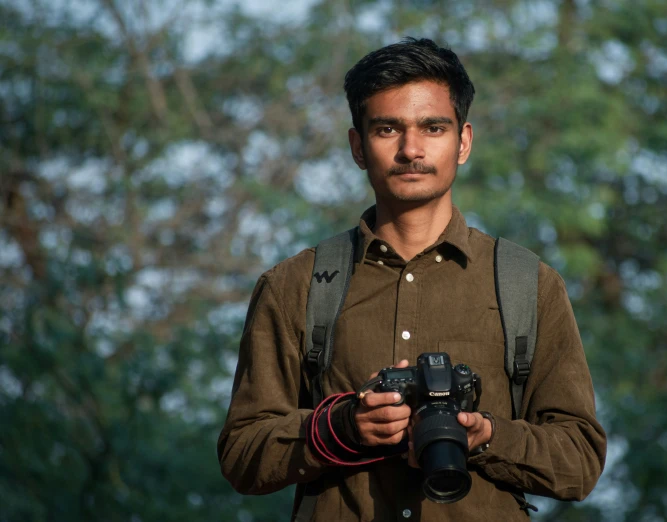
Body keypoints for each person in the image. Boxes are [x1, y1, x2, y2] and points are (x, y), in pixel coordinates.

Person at [218, 37, 606, 521]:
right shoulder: (297, 285)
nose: (411, 149)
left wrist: (486, 435)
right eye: (387, 129)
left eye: (433, 127)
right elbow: (241, 453)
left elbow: (581, 460)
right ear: (358, 146)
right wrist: (345, 426)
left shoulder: (527, 284)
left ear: (463, 142)